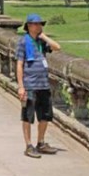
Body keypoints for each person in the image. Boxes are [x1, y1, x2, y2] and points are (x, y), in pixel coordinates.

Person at [16, 13, 61, 158]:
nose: (39, 26)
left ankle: (40, 142)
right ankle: (28, 145)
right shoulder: (23, 42)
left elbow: (57, 47)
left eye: (40, 24)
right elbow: (19, 64)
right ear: (29, 26)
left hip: (43, 84)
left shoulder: (42, 43)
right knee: (28, 116)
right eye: (36, 24)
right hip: (30, 84)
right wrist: (21, 86)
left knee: (45, 115)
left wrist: (44, 37)